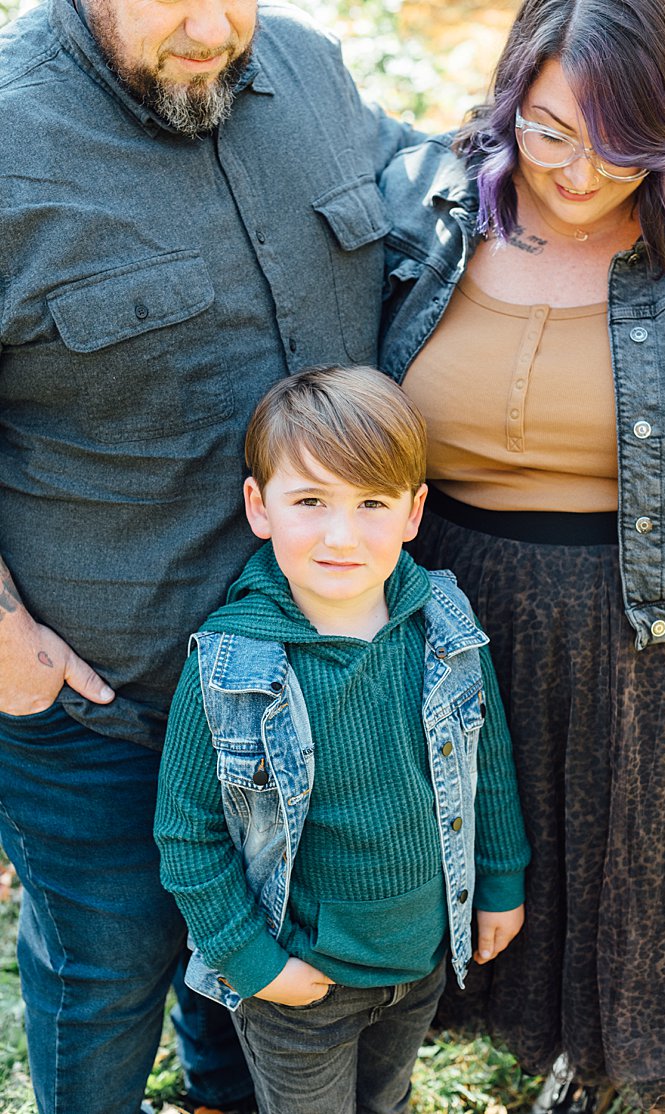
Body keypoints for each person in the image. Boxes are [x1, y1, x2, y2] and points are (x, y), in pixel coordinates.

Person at [0, 0, 421, 1107]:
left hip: (312, 698)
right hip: (103, 710)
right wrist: (4, 639)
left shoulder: (314, 70)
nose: (208, 25)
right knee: (105, 989)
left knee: (262, 996)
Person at [377, 0, 665, 1108]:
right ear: (508, 105)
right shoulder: (426, 206)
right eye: (547, 132)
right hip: (439, 615)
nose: (580, 172)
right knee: (447, 920)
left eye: (620, 140)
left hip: (642, 633)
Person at [154, 366, 530, 1113]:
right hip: (299, 984)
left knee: (384, 1102)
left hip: (418, 962)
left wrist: (501, 880)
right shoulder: (234, 664)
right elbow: (185, 834)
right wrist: (253, 963)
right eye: (310, 501)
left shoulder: (443, 626)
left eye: (370, 504)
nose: (340, 534)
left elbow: (487, 761)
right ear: (259, 507)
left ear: (414, 511)